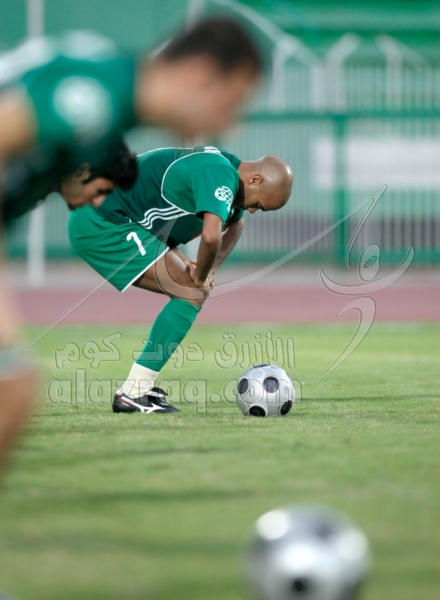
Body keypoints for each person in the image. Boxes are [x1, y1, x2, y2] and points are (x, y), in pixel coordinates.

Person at [0, 17, 262, 467]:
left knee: (14, 388)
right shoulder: (94, 98)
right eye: (232, 103)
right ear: (200, 74)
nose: (231, 124)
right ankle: (136, 390)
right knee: (13, 388)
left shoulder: (109, 104)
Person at [68, 146, 293, 414]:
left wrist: (210, 269)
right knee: (191, 291)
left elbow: (236, 223)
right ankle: (134, 392)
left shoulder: (227, 172)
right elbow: (211, 236)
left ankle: (137, 390)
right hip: (101, 221)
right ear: (255, 179)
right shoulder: (219, 173)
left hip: (116, 218)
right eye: (259, 204)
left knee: (194, 288)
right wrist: (199, 275)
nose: (253, 210)